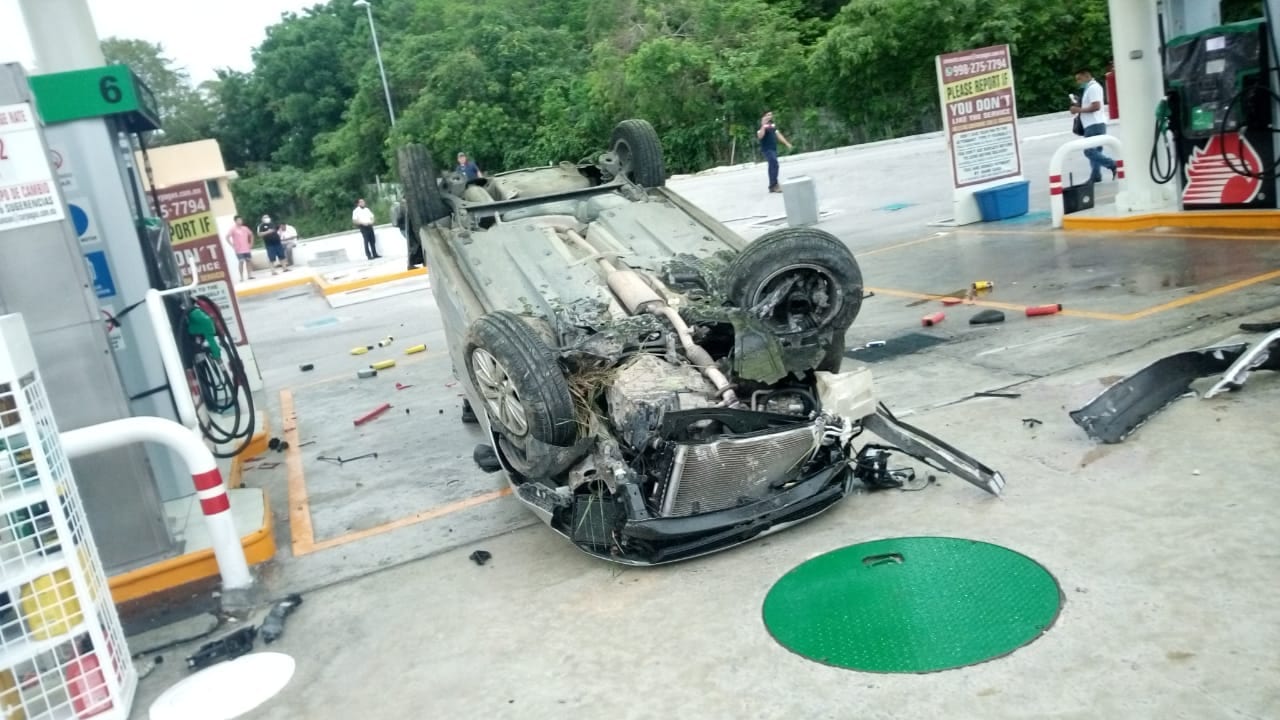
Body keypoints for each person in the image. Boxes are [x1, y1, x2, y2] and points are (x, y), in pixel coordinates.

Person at [1070, 69, 1116, 183]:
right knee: (1096, 150)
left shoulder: (1093, 88)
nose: (1078, 82)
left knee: (1089, 151)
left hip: (1094, 124)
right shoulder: (1090, 88)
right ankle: (1095, 175)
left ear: (1086, 76)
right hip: (1094, 123)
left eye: (1079, 79)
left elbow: (1096, 106)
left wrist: (1078, 109)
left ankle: (1113, 164)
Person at [757, 111, 793, 194]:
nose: (770, 116)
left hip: (773, 148)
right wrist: (763, 125)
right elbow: (760, 136)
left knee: (772, 166)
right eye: (768, 115)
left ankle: (772, 186)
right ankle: (774, 185)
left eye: (771, 115)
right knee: (774, 163)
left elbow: (778, 135)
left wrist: (786, 143)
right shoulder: (761, 126)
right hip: (767, 149)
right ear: (763, 116)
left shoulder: (772, 125)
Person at [393, 195, 424, 270]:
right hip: (405, 228)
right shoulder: (404, 205)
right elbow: (404, 217)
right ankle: (410, 264)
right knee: (413, 245)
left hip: (405, 229)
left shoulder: (401, 205)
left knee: (414, 245)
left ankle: (416, 262)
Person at [226, 215, 254, 282]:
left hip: (246, 248)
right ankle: (241, 277)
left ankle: (249, 275)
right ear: (235, 221)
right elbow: (227, 237)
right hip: (239, 249)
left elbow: (251, 235)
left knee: (248, 261)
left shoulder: (245, 228)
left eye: (241, 220)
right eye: (238, 220)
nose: (240, 221)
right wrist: (232, 245)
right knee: (241, 261)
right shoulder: (233, 229)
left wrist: (251, 243)